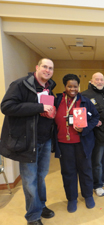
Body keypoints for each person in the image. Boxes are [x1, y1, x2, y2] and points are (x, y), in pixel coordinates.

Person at [0, 58, 56, 225]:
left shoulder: (49, 88)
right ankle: (33, 216)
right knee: (30, 179)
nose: (47, 70)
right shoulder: (20, 84)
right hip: (27, 142)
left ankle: (41, 205)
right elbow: (6, 106)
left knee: (41, 176)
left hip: (44, 140)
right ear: (37, 68)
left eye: (51, 68)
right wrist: (39, 107)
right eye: (45, 67)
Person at [54, 74, 99, 213]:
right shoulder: (57, 101)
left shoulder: (85, 101)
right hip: (64, 143)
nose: (72, 89)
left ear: (78, 87)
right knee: (68, 172)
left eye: (75, 86)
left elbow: (95, 117)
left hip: (82, 143)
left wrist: (85, 128)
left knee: (85, 170)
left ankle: (88, 195)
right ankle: (72, 198)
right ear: (65, 87)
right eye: (69, 86)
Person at [81, 72, 104, 197]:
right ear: (91, 81)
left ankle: (103, 180)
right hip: (96, 135)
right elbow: (81, 115)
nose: (99, 81)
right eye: (96, 79)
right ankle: (96, 185)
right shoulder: (85, 95)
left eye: (101, 79)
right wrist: (93, 121)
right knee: (96, 161)